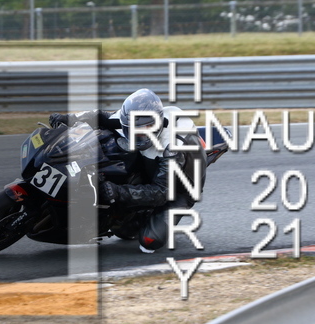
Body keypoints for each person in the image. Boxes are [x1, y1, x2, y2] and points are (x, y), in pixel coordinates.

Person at [49, 88, 207, 253]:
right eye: (132, 129)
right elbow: (100, 116)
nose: (139, 135)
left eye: (146, 129)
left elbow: (162, 192)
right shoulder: (131, 118)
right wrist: (68, 118)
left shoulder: (171, 148)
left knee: (148, 242)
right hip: (152, 164)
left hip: (179, 188)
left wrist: (118, 192)